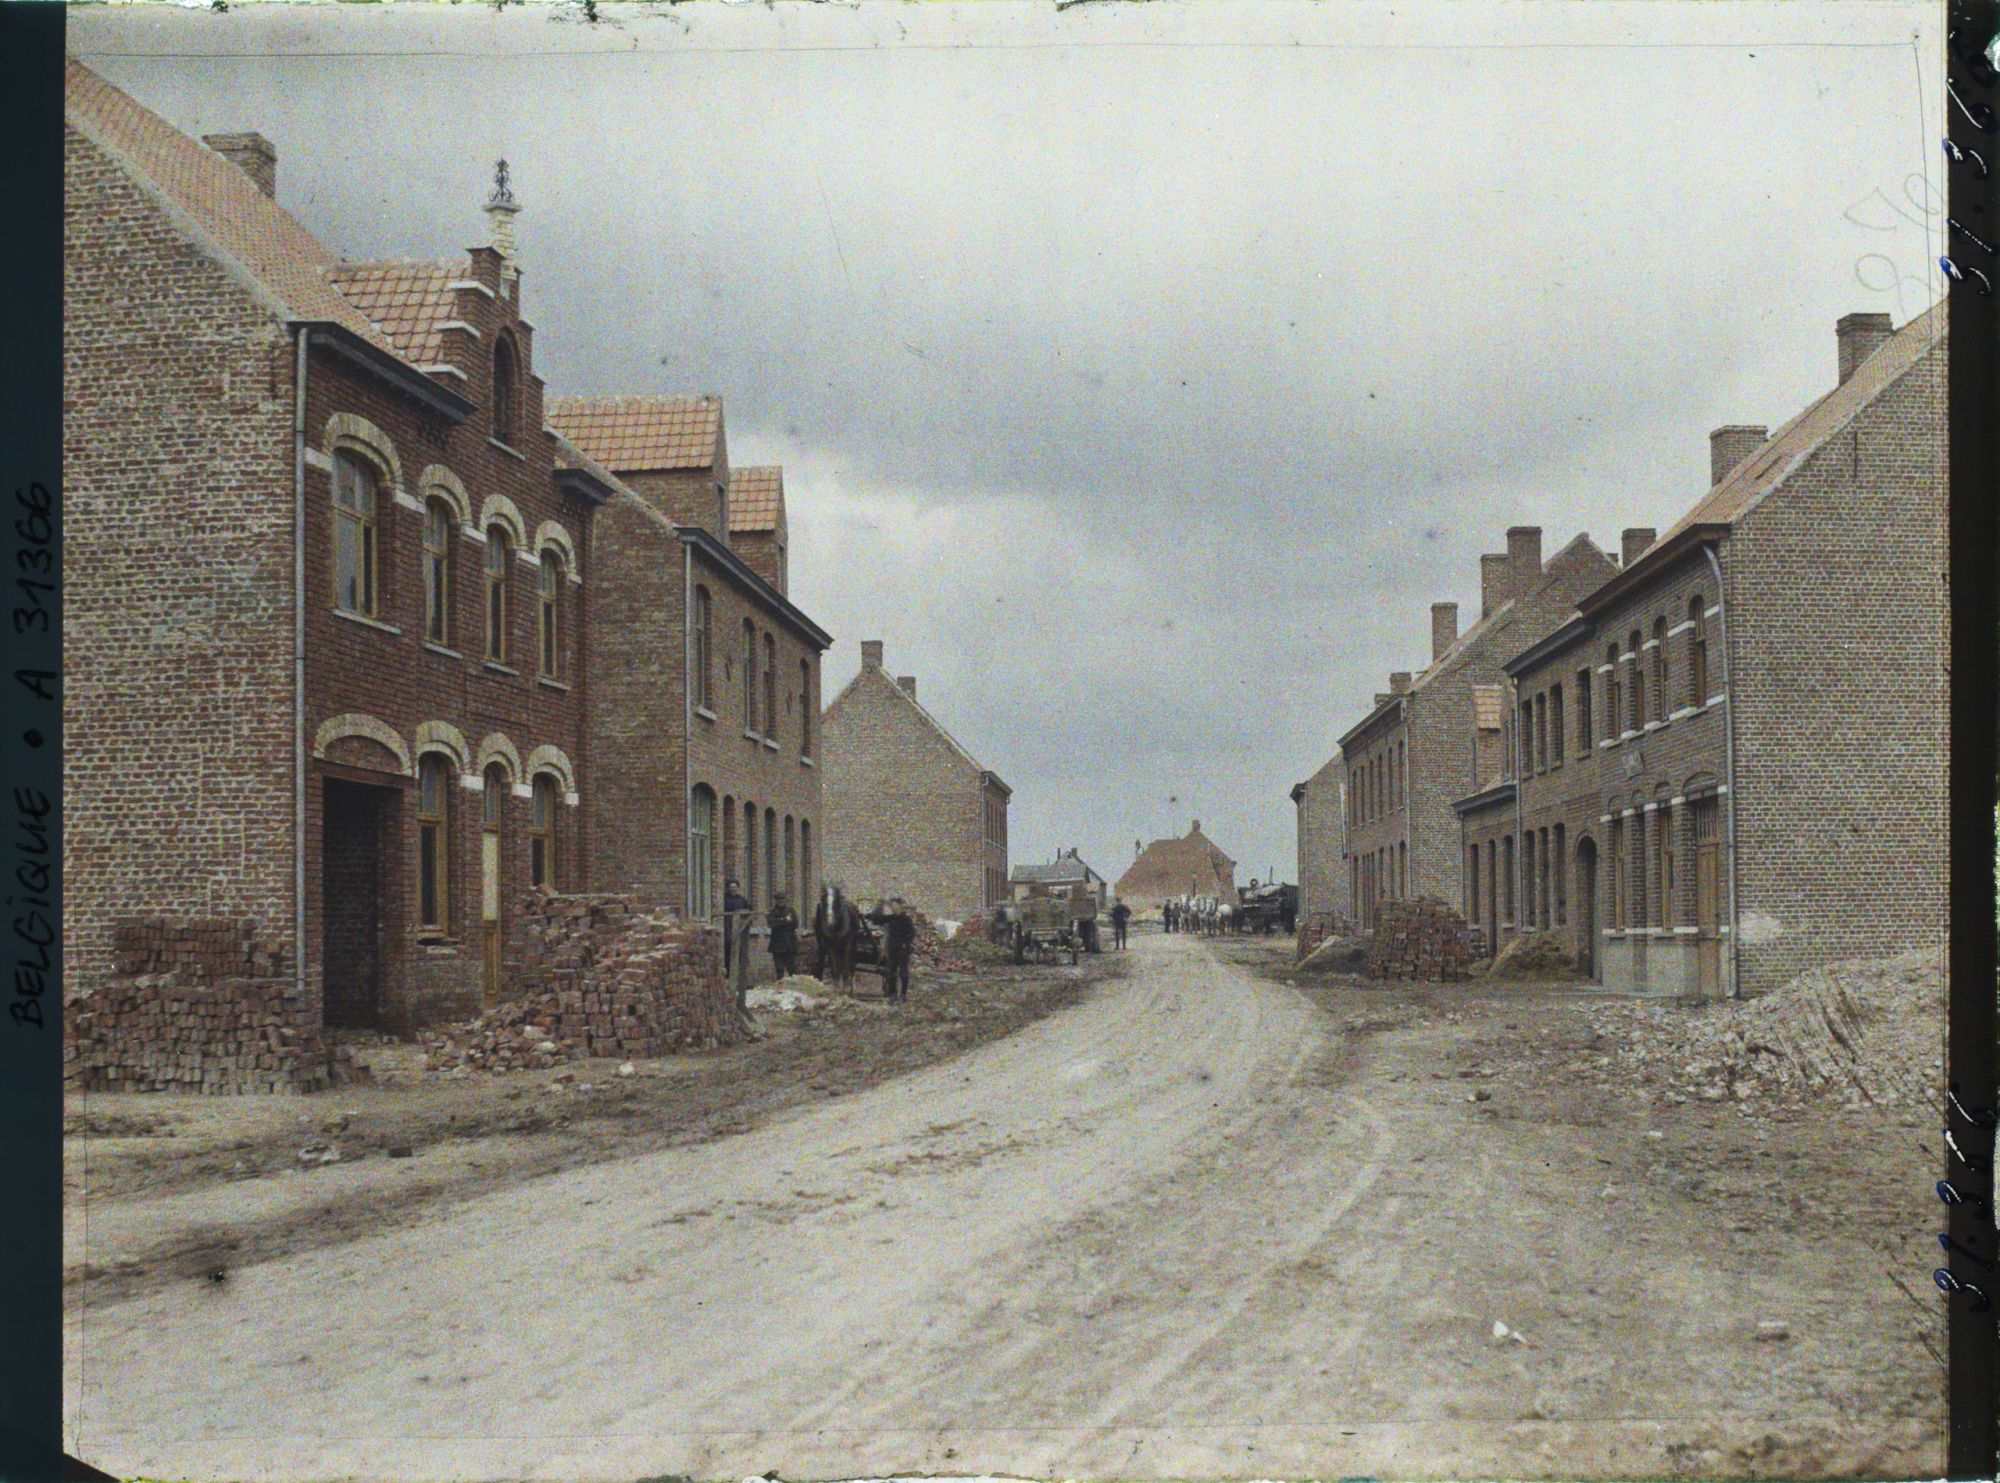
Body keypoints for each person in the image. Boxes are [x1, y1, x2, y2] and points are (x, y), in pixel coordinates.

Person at [868, 896, 917, 1002]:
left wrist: (905, 944)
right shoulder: (892, 918)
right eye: (891, 905)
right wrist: (879, 906)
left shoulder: (905, 919)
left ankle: (903, 995)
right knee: (891, 973)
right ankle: (893, 994)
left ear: (899, 906)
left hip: (902, 950)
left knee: (903, 973)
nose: (892, 907)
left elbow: (911, 933)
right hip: (892, 949)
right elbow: (877, 919)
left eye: (894, 905)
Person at [722, 876, 752, 986]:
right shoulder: (725, 900)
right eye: (731, 888)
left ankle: (741, 979)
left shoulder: (742, 900)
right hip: (728, 928)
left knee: (741, 954)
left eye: (735, 888)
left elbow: (749, 911)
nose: (733, 890)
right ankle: (728, 977)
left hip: (740, 929)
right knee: (728, 952)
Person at [767, 891, 800, 979]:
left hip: (790, 943)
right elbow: (771, 924)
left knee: (792, 968)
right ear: (776, 900)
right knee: (779, 968)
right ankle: (781, 987)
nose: (781, 901)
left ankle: (793, 988)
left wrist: (779, 922)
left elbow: (795, 924)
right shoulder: (772, 912)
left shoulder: (791, 910)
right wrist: (785, 920)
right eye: (779, 899)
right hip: (777, 944)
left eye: (783, 899)